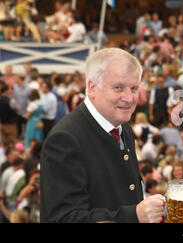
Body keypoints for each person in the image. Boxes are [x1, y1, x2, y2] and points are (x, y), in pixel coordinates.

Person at [40, 48, 165, 223]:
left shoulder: (122, 126)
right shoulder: (64, 139)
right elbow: (64, 218)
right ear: (92, 88)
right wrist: (134, 215)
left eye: (134, 88)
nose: (129, 98)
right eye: (118, 87)